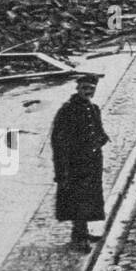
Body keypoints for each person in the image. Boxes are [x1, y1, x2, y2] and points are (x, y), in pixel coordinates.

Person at [52, 75, 110, 252]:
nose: (88, 92)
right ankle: (79, 238)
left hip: (91, 162)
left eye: (91, 89)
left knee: (88, 198)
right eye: (84, 88)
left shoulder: (93, 108)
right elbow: (59, 141)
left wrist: (101, 139)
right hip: (74, 163)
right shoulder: (68, 111)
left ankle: (82, 232)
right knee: (77, 199)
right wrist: (62, 168)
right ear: (77, 89)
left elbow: (98, 130)